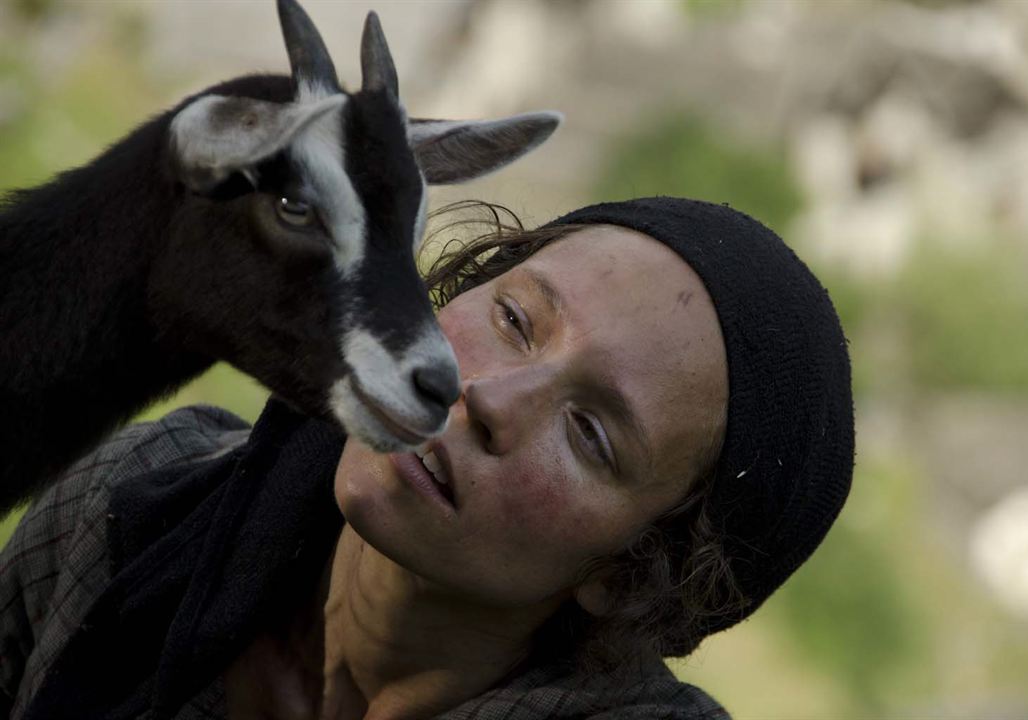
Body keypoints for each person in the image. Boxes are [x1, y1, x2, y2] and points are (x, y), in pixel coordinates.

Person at [0, 197, 854, 719]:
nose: (489, 397)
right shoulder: (141, 505)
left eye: (590, 435)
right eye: (516, 319)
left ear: (632, 574)